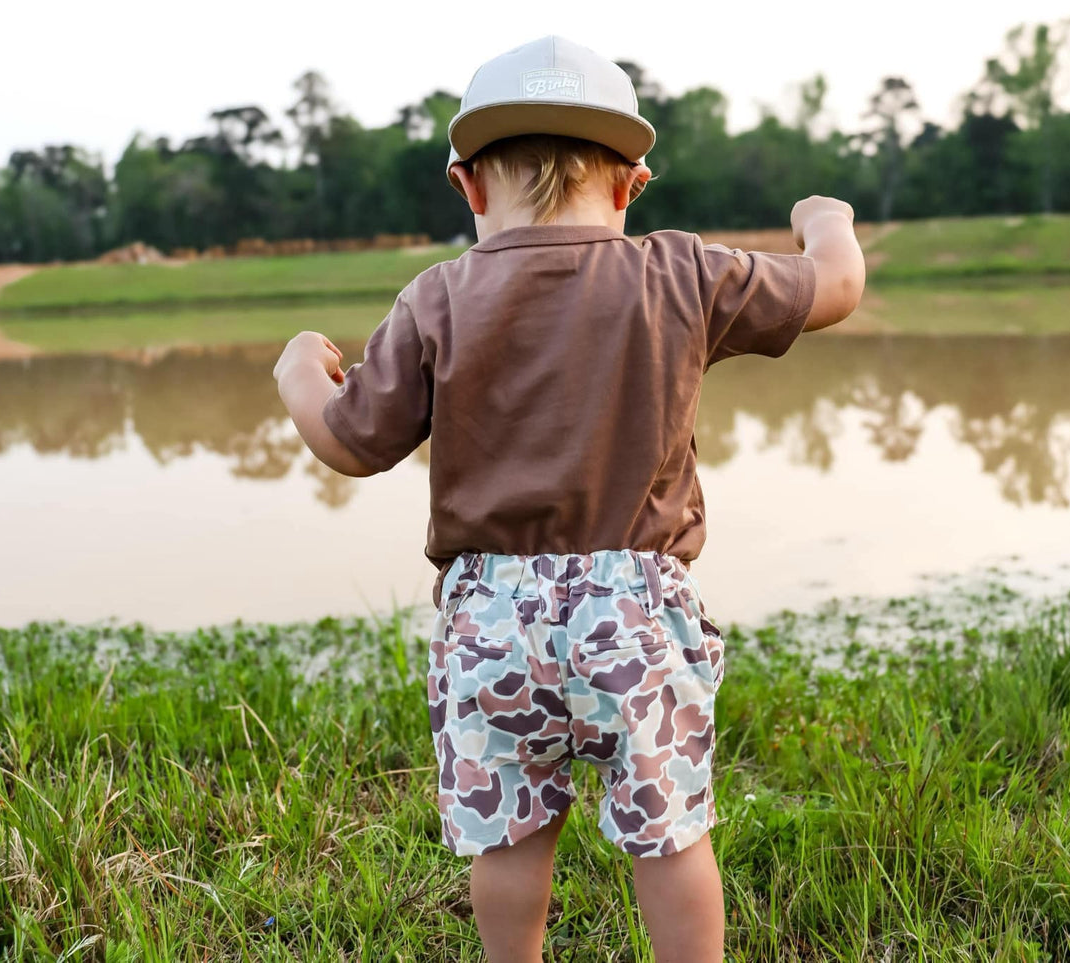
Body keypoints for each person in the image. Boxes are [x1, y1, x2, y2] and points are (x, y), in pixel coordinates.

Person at [274, 35, 865, 963]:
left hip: (491, 618)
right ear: (631, 184)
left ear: (468, 185)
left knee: (509, 838)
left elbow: (351, 443)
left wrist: (298, 372)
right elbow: (833, 287)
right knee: (669, 834)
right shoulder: (680, 273)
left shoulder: (436, 298)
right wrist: (825, 217)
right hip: (634, 614)